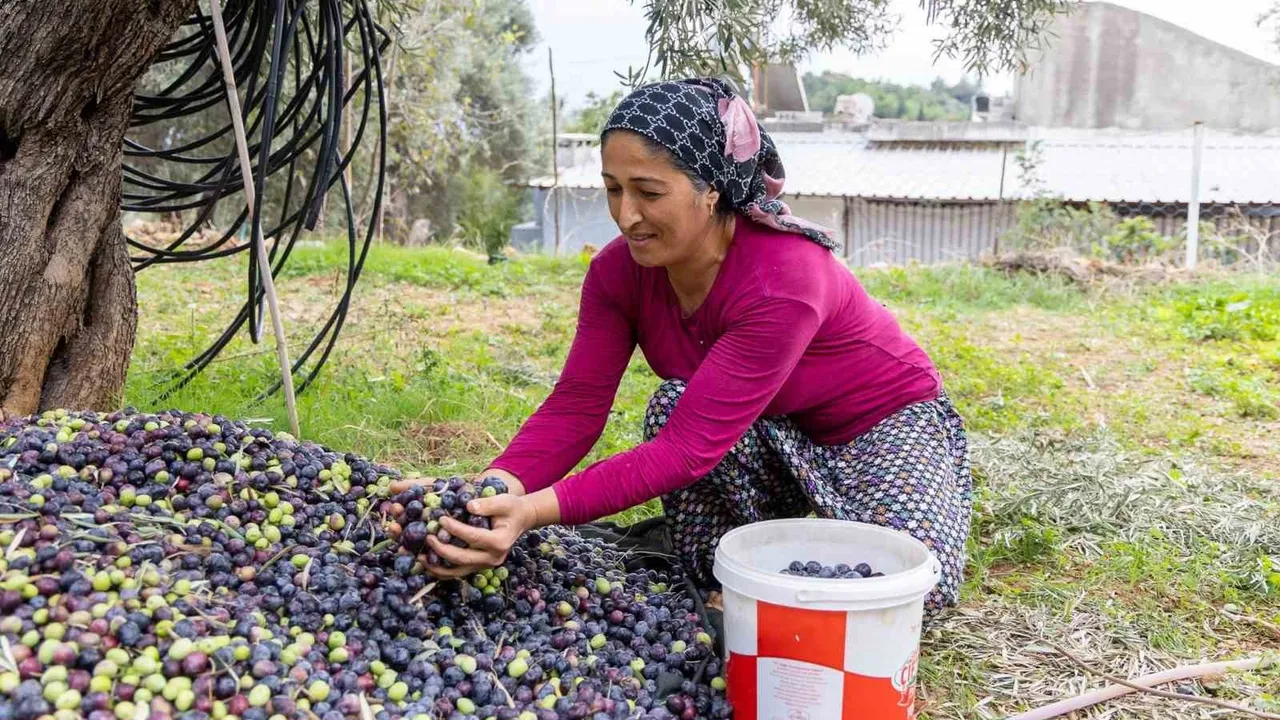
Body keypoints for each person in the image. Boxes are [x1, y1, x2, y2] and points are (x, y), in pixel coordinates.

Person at [392, 77, 973, 619]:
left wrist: (535, 513)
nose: (626, 215)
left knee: (918, 590)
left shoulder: (784, 277)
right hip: (762, 426)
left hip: (876, 421)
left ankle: (790, 561)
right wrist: (494, 492)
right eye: (613, 189)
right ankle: (737, 570)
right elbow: (577, 404)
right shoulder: (618, 274)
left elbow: (690, 450)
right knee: (676, 403)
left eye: (648, 192)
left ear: (711, 191)